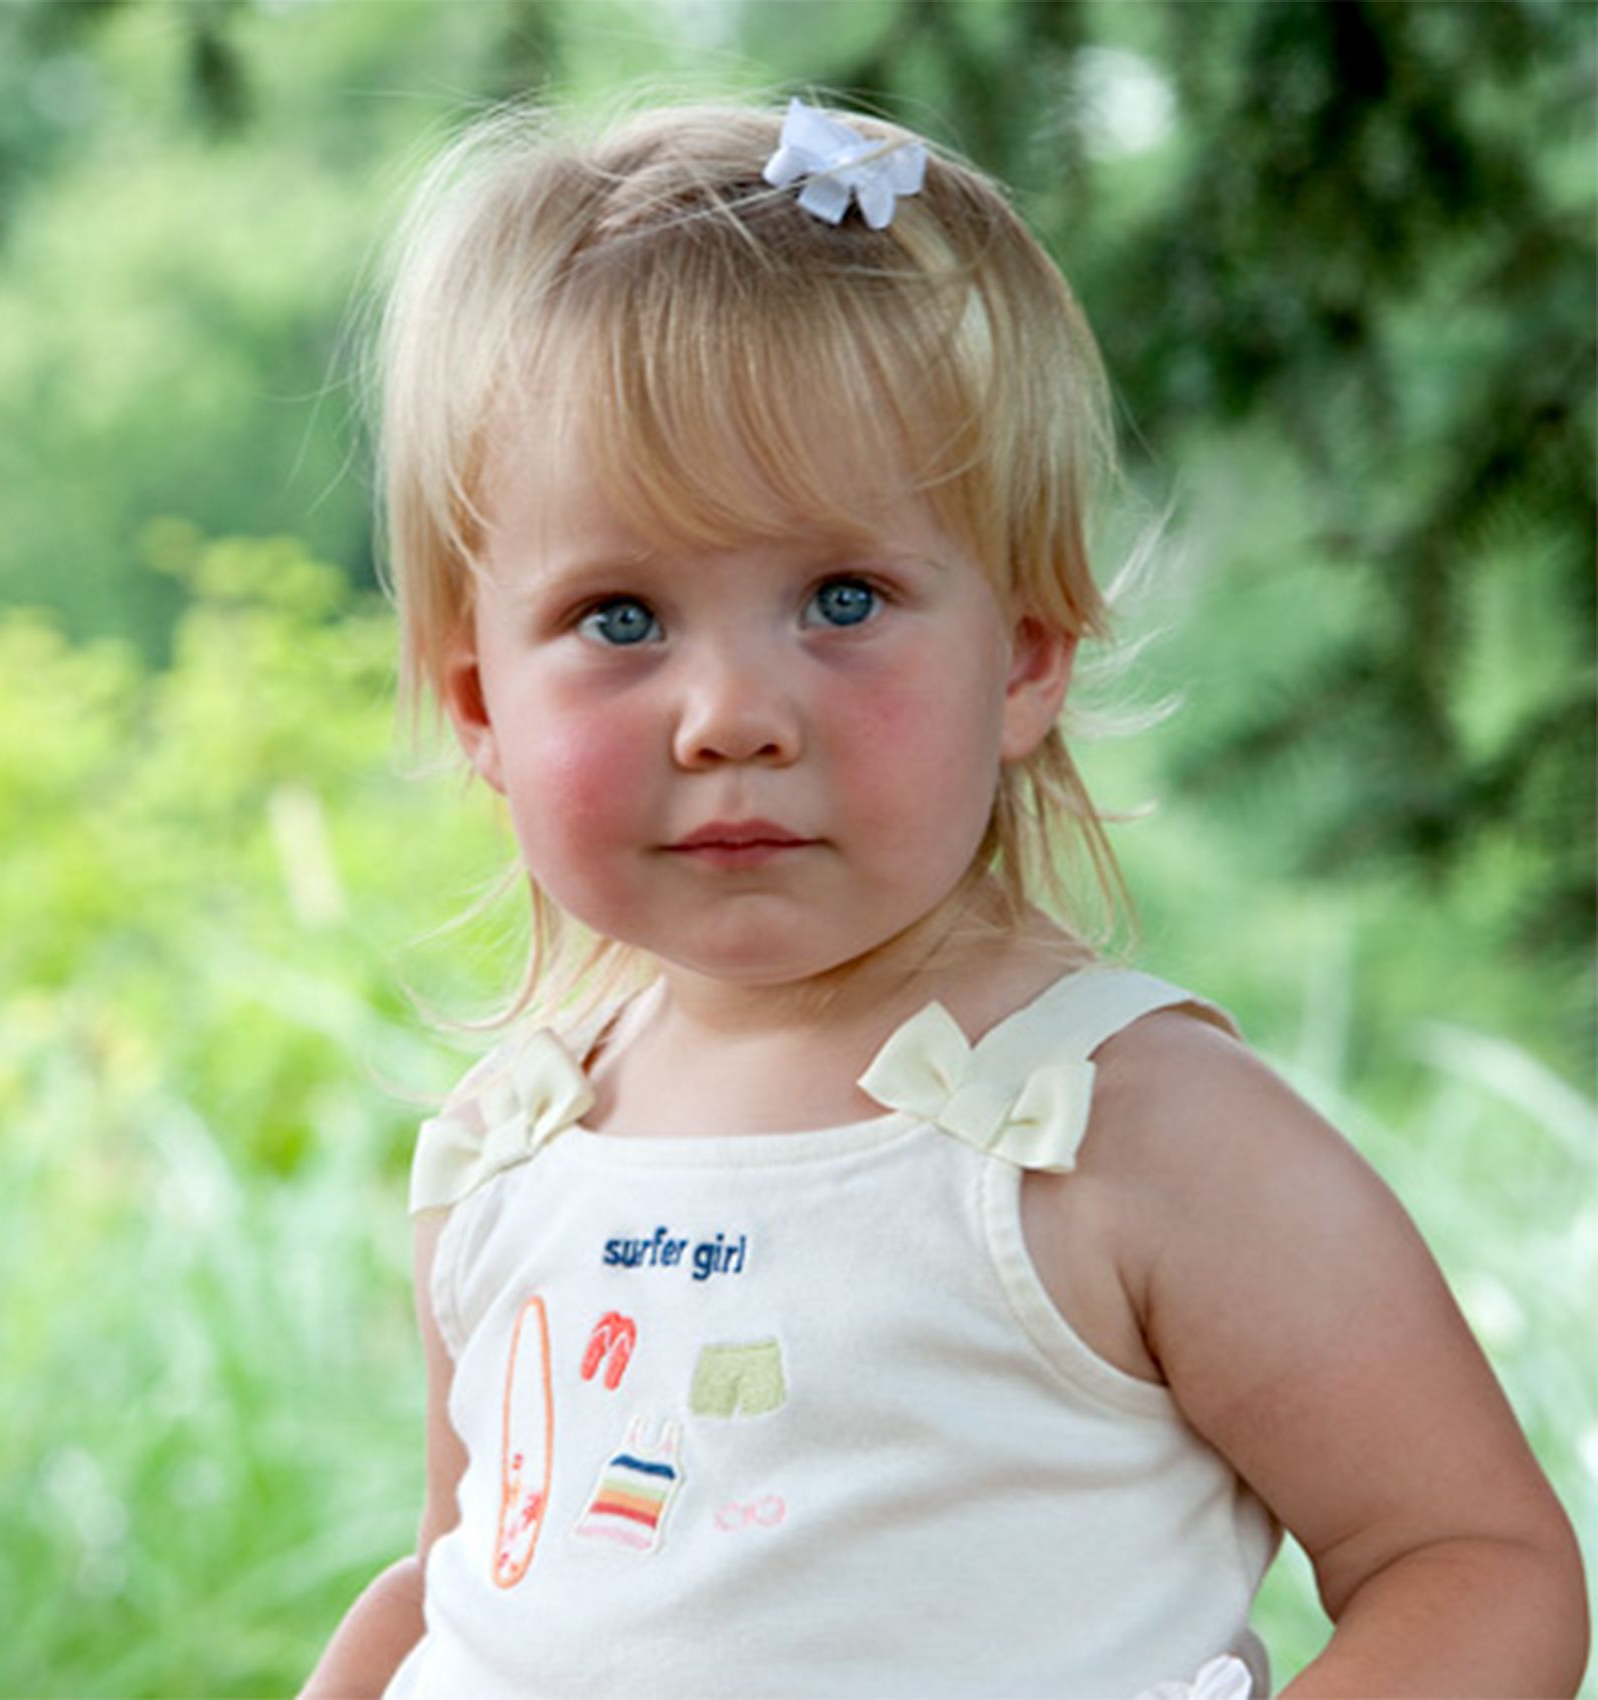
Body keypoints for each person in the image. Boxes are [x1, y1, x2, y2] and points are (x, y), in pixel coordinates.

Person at [301, 96, 1586, 1699]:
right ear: (481, 702)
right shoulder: (509, 1151)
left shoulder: (1133, 1132)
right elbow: (461, 1580)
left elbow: (1471, 1564)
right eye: (620, 616)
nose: (729, 714)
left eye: (842, 599)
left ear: (1027, 657)